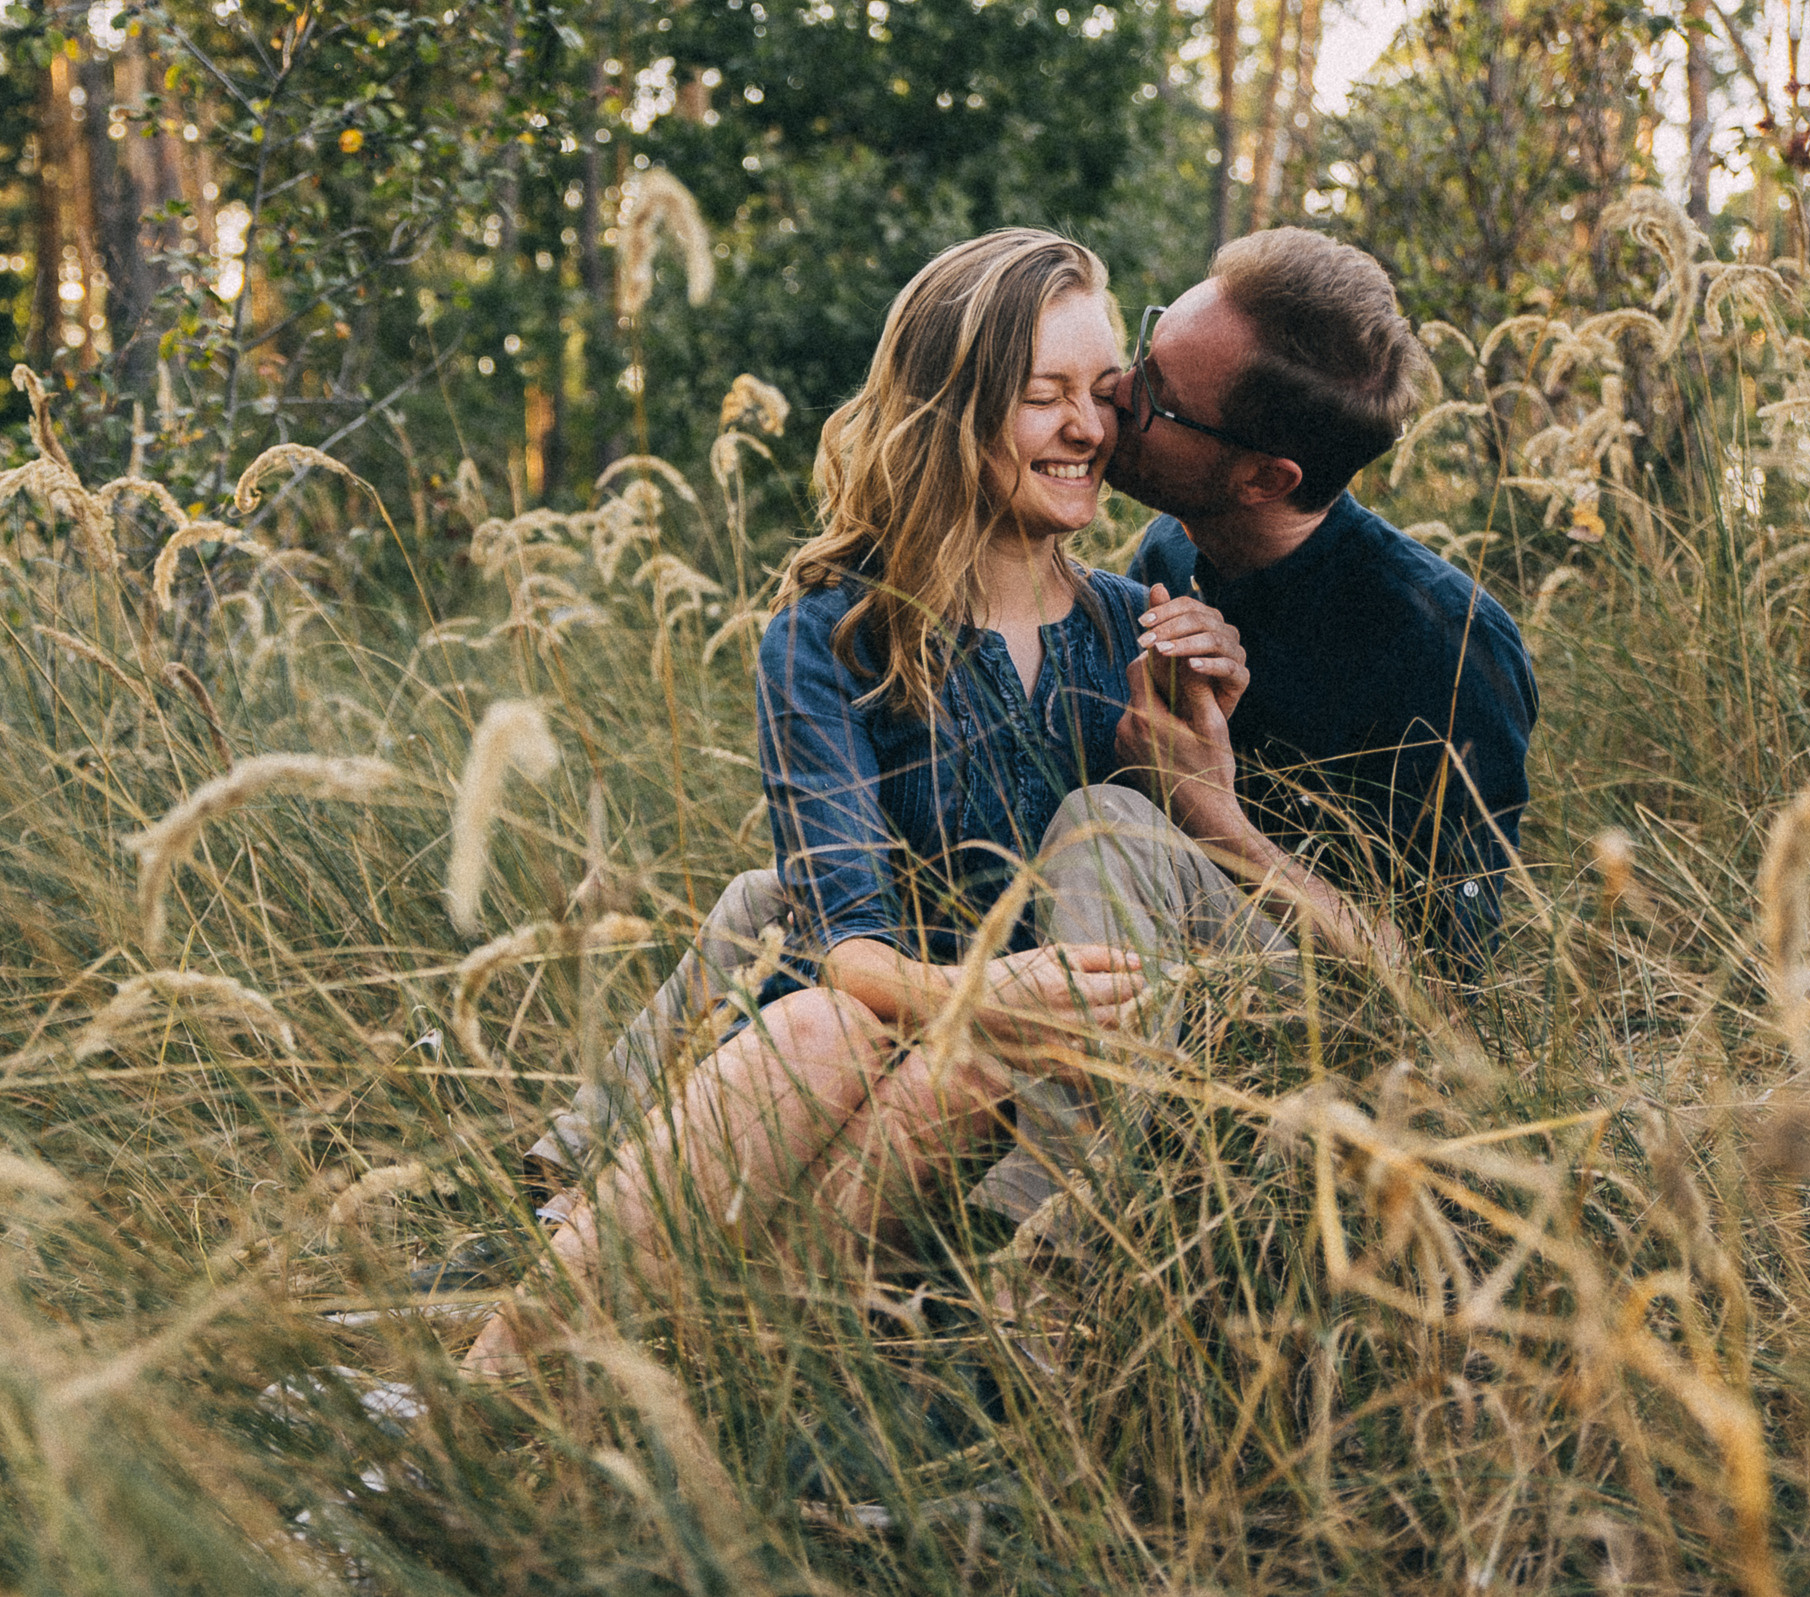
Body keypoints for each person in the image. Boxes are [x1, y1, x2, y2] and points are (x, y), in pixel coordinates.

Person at [461, 228, 1326, 1377]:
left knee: (919, 1043)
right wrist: (984, 995)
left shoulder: (1139, 624)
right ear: (953, 411)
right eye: (1041, 396)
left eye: (1102, 393)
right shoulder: (833, 634)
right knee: (816, 996)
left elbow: (1163, 904)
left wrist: (1196, 746)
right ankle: (543, 1363)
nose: (1088, 428)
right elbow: (847, 943)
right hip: (883, 1043)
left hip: (1055, 1113)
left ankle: (724, 1357)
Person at [1106, 227, 1537, 979]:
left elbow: (1451, 990)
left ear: (1265, 481)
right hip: (1171, 962)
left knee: (1101, 828)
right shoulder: (1169, 556)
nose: (1114, 388)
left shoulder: (1452, 647)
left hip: (1339, 1046)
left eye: (1158, 399)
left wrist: (1211, 810)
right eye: (1146, 350)